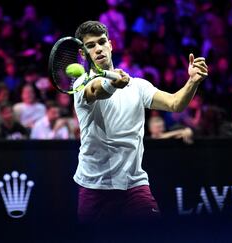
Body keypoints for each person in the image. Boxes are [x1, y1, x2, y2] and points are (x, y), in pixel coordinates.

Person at [72, 21, 207, 224]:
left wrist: (193, 81)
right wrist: (112, 82)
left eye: (101, 42)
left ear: (110, 45)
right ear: (83, 54)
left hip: (134, 185)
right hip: (94, 188)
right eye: (90, 46)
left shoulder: (138, 86)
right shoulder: (80, 85)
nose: (98, 48)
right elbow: (96, 90)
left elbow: (175, 104)